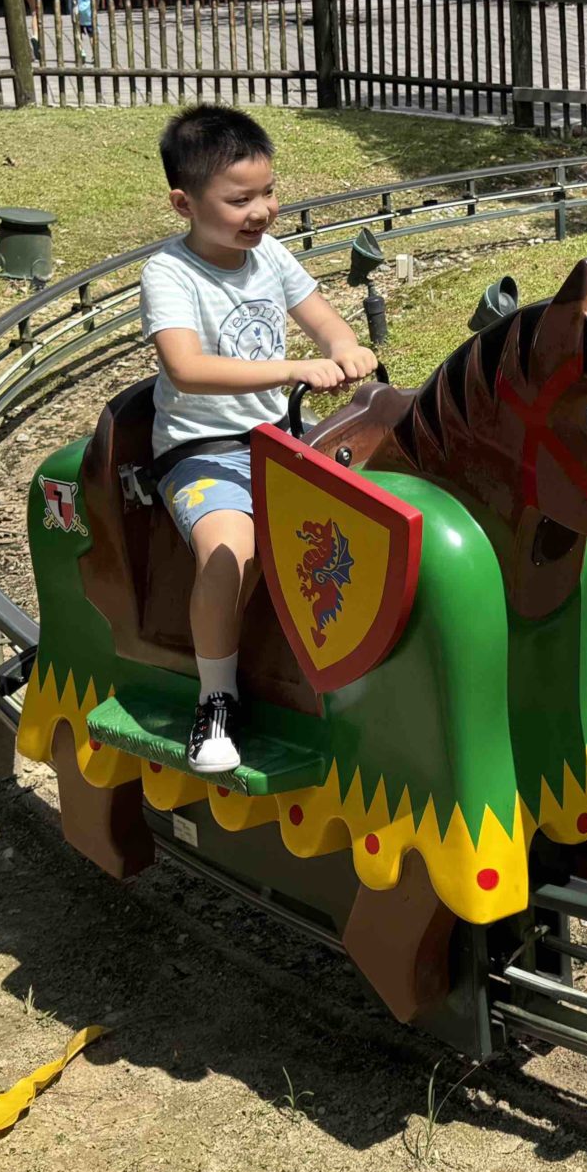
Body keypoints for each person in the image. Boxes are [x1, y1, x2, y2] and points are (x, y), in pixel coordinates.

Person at [140, 107, 378, 777]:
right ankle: (216, 698)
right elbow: (186, 368)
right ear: (184, 204)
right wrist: (293, 368)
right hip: (202, 448)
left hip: (279, 437)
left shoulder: (269, 255)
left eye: (268, 192)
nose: (262, 211)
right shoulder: (170, 274)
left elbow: (323, 319)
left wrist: (344, 346)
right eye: (239, 199)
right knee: (231, 551)